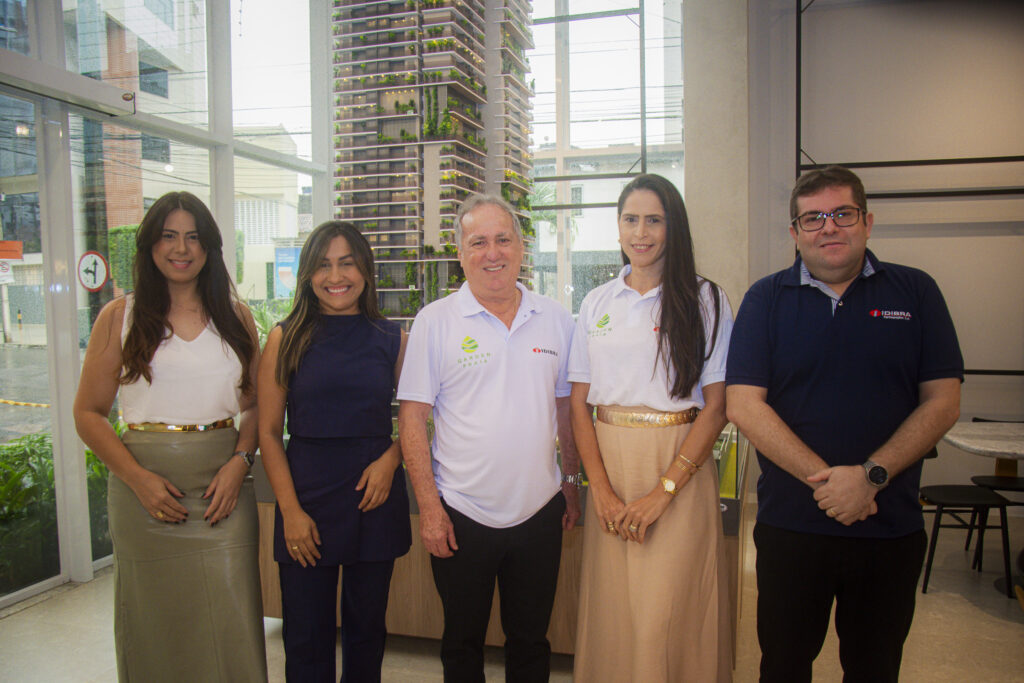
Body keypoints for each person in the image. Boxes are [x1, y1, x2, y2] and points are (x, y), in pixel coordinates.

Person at [726, 166, 963, 683]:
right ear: (794, 232)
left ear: (867, 221)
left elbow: (943, 402)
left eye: (842, 214)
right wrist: (832, 483)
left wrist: (869, 477)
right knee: (784, 667)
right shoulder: (765, 300)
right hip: (792, 528)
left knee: (875, 669)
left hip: (888, 527)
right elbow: (743, 404)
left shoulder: (916, 293)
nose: (828, 227)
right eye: (812, 218)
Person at [73, 191, 266, 682]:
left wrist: (240, 461)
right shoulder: (119, 317)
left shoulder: (237, 317)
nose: (181, 248)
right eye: (169, 236)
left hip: (225, 492)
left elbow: (256, 406)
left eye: (193, 237)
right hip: (146, 498)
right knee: (155, 625)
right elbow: (89, 414)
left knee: (232, 621)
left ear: (210, 248)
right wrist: (138, 479)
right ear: (150, 246)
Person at [397, 194, 581, 682]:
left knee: (531, 643)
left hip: (539, 511)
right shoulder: (435, 322)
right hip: (460, 513)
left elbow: (566, 408)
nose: (492, 252)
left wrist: (572, 480)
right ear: (460, 253)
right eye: (478, 242)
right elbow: (412, 418)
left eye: (503, 239)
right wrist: (430, 509)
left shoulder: (557, 320)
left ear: (522, 248)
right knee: (461, 644)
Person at [568, 174, 734, 682]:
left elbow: (718, 405)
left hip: (678, 468)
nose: (641, 232)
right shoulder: (596, 302)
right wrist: (600, 489)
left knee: (672, 605)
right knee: (616, 608)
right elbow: (579, 406)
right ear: (618, 228)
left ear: (673, 227)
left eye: (654, 220)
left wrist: (665, 490)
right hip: (610, 468)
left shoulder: (705, 299)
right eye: (630, 219)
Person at [257, 221, 411, 682]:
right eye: (323, 265)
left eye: (347, 263)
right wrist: (290, 512)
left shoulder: (393, 338)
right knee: (306, 636)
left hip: (375, 496)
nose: (335, 275)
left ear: (365, 269)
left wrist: (391, 458)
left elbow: (420, 417)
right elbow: (267, 432)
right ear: (307, 274)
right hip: (305, 497)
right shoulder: (286, 337)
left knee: (367, 632)